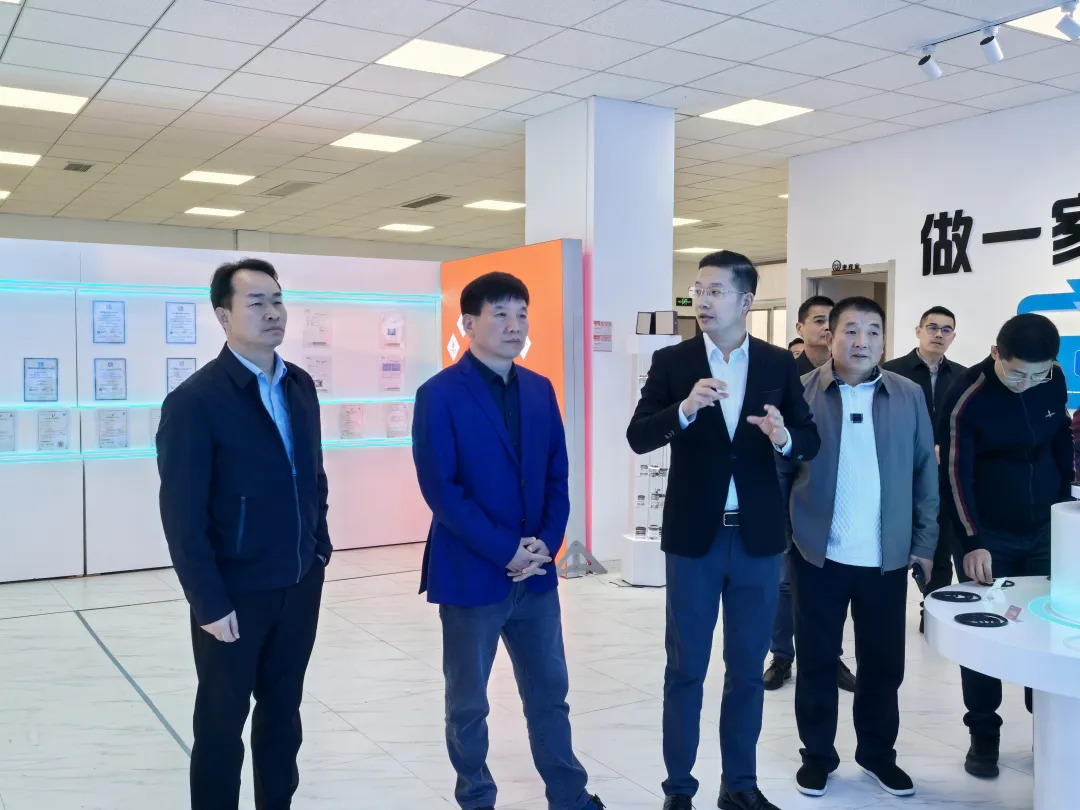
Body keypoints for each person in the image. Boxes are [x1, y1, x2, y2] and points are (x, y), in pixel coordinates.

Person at [627, 250, 820, 810]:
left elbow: (808, 440)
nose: (703, 301)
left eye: (715, 291)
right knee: (685, 668)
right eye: (698, 290)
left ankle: (739, 785)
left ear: (745, 300)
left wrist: (783, 436)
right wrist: (684, 409)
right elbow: (639, 435)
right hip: (695, 538)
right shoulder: (673, 361)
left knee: (746, 672)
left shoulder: (777, 364)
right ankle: (678, 789)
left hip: (757, 539)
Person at [412, 272, 604, 810]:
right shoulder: (439, 395)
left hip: (536, 576)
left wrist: (546, 543)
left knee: (550, 694)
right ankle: (476, 795)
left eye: (521, 314)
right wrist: (505, 550)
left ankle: (568, 794)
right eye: (500, 314)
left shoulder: (540, 389)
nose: (514, 325)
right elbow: (442, 491)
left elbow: (556, 476)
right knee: (468, 703)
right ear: (468, 323)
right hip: (471, 575)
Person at [157, 258, 331, 810]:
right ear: (223, 316)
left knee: (283, 715)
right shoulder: (196, 401)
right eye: (256, 302)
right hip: (233, 595)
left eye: (277, 300)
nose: (272, 312)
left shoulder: (299, 385)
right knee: (220, 723)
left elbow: (313, 476)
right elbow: (182, 515)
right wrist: (208, 601)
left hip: (298, 584)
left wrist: (319, 549)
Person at [785, 296, 937, 799]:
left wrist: (924, 542)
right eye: (851, 330)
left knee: (883, 664)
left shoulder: (908, 394)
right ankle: (817, 756)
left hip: (885, 557)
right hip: (817, 554)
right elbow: (781, 469)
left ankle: (877, 754)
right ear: (830, 336)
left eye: (873, 331)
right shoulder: (801, 391)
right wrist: (785, 539)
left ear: (884, 340)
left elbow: (925, 472)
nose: (862, 341)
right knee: (816, 661)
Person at [939, 313, 1072, 779]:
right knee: (985, 634)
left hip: (1046, 529)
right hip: (988, 533)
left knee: (1049, 629)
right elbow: (955, 474)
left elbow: (1059, 441)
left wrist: (1067, 506)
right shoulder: (967, 397)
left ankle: (1048, 726)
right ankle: (983, 733)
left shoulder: (1051, 378)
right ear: (996, 353)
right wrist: (972, 541)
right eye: (1016, 374)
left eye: (1037, 374)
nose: (1026, 384)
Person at [765, 294, 854, 696]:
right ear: (800, 328)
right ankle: (782, 656)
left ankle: (829, 656)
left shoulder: (852, 375)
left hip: (838, 500)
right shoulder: (786, 376)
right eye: (818, 320)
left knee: (833, 587)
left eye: (831, 320)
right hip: (793, 498)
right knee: (786, 585)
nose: (825, 326)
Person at [882, 306, 967, 605]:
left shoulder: (963, 376)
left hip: (942, 479)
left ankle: (931, 614)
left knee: (940, 554)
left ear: (953, 336)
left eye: (946, 330)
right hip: (898, 476)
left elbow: (965, 425)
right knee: (891, 552)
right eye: (932, 327)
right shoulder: (890, 372)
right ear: (918, 331)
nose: (939, 334)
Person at [794, 296, 834, 375]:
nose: (828, 327)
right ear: (800, 328)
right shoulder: (787, 373)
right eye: (819, 321)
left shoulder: (850, 372)